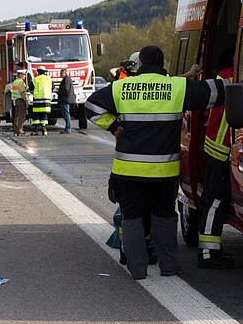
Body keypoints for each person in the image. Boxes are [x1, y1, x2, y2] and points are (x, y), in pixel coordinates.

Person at [86, 45, 216, 280]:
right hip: (163, 171)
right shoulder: (176, 87)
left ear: (141, 63)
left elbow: (91, 106)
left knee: (133, 219)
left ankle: (137, 270)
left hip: (127, 170)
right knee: (165, 217)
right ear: (162, 63)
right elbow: (214, 94)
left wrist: (114, 127)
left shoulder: (121, 87)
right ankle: (169, 267)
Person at [197, 50, 237, 269]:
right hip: (221, 149)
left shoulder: (224, 76)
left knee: (213, 200)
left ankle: (210, 251)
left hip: (217, 148)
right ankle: (207, 253)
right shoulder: (233, 78)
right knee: (215, 201)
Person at [31, 66, 53, 136]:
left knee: (36, 115)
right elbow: (53, 88)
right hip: (46, 100)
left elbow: (31, 89)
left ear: (38, 72)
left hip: (37, 100)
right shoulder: (49, 79)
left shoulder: (35, 79)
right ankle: (44, 129)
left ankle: (36, 130)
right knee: (44, 115)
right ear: (45, 72)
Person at [10, 69, 29, 136]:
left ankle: (16, 130)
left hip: (16, 100)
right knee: (22, 116)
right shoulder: (20, 82)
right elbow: (22, 92)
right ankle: (20, 130)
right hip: (21, 100)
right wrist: (26, 101)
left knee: (16, 115)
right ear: (20, 75)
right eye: (24, 74)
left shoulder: (15, 82)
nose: (25, 76)